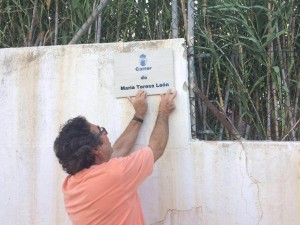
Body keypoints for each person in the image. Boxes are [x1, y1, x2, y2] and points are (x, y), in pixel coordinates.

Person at [54, 89, 177, 225]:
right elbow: (156, 148)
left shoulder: (70, 185)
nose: (106, 134)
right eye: (102, 131)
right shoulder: (115, 175)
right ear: (96, 150)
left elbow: (117, 151)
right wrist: (164, 111)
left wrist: (138, 115)